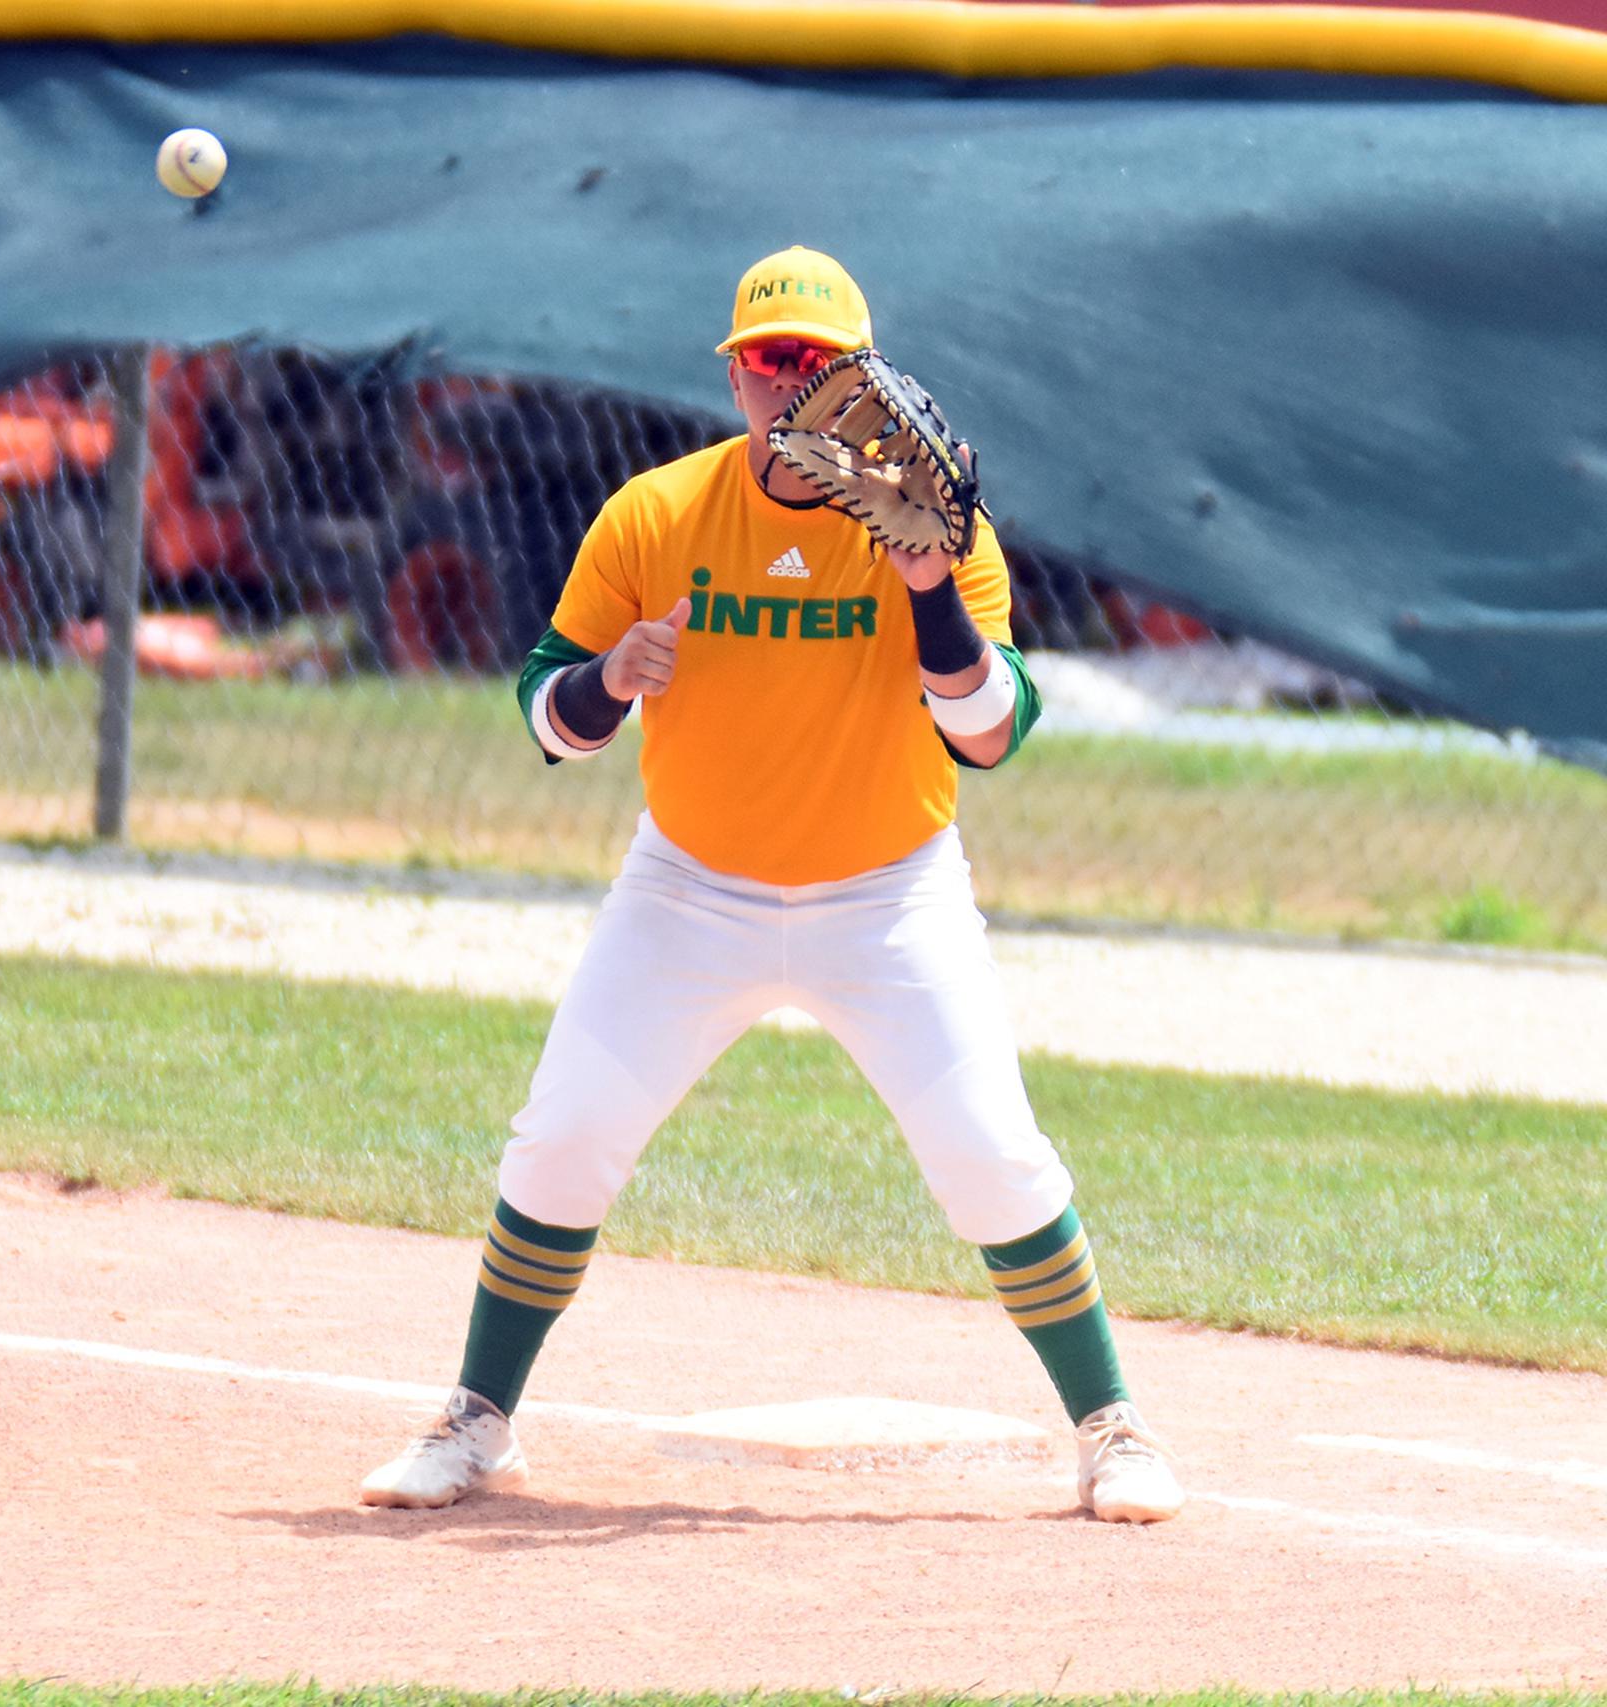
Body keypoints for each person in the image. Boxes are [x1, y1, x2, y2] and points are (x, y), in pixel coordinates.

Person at [358, 247, 1184, 1524]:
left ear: (864, 382)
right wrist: (610, 681)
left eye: (814, 363)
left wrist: (926, 591)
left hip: (887, 895)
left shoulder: (935, 530)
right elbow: (544, 712)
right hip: (690, 888)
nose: (787, 385)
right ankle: (478, 1422)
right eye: (765, 361)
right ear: (734, 377)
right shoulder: (659, 514)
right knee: (563, 1138)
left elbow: (993, 731)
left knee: (991, 1160)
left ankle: (1112, 1427)